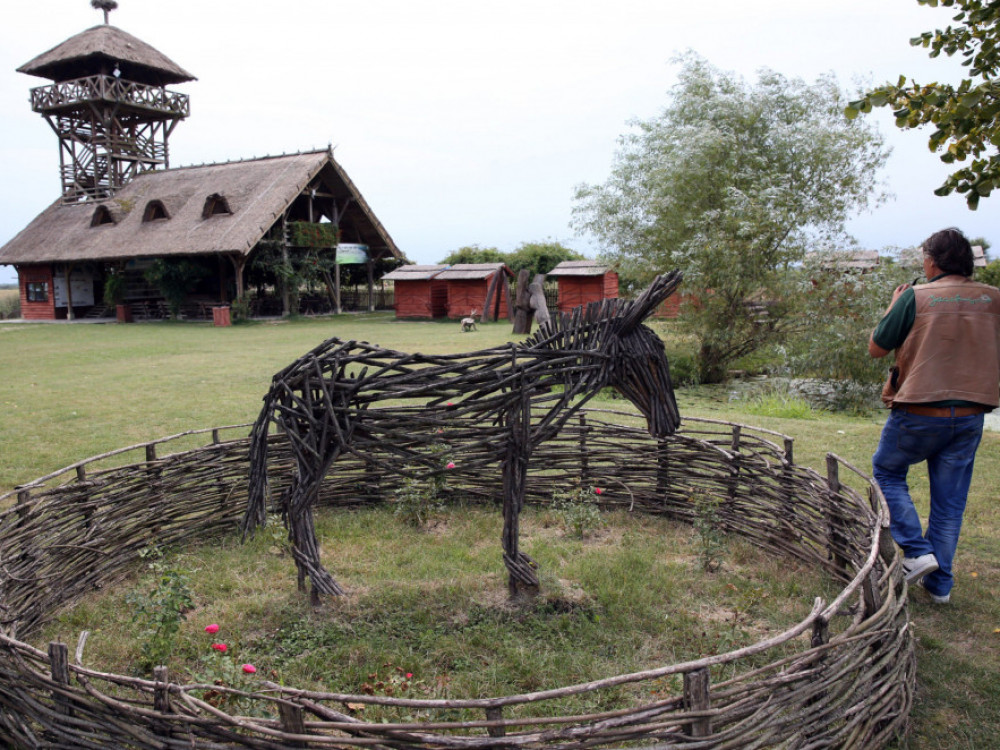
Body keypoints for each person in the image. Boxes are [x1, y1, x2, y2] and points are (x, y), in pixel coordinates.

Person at [868, 228, 1000, 604]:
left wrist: (893, 305)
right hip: (972, 413)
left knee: (887, 471)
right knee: (949, 502)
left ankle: (916, 551)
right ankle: (940, 586)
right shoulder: (994, 298)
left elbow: (877, 348)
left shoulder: (916, 296)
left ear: (932, 262)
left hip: (919, 410)